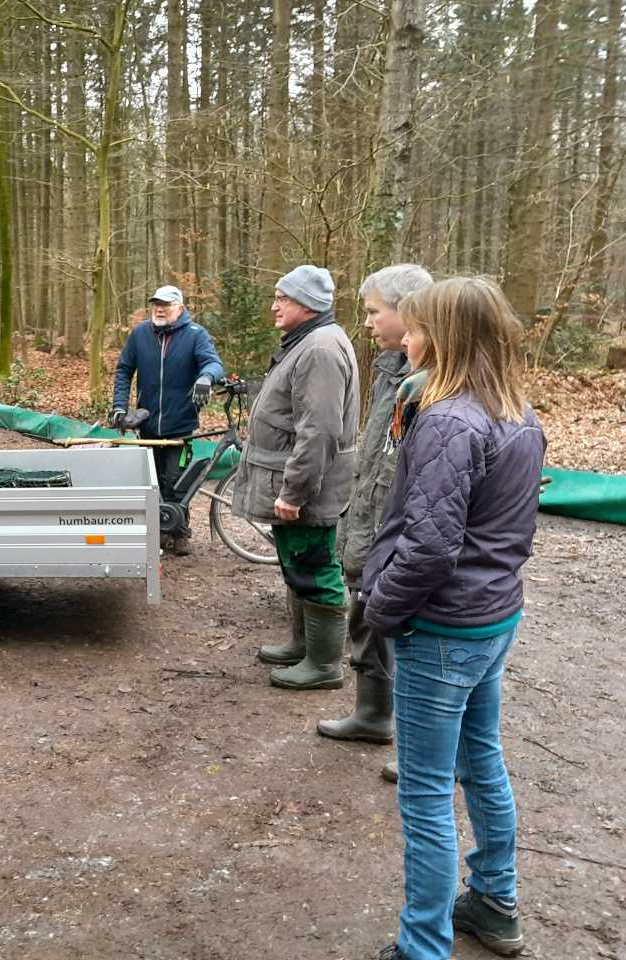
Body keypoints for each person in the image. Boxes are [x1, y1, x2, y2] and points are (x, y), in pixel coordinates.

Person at [364, 278, 545, 960]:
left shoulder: (447, 420)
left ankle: (422, 948)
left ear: (444, 338)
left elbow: (431, 545)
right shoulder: (517, 411)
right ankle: (495, 902)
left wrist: (380, 610)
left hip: (443, 632)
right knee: (482, 761)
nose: (403, 338)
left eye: (413, 329)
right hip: (492, 621)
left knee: (427, 795)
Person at [317, 264, 432, 754]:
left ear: (410, 313)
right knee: (367, 620)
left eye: (373, 312)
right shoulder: (390, 373)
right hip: (371, 527)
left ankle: (423, 745)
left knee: (411, 640)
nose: (366, 323)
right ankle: (372, 714)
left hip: (404, 540)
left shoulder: (434, 387)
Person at [229, 264, 359, 689]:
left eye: (281, 298)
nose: (274, 306)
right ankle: (303, 646)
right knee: (297, 563)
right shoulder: (309, 341)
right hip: (292, 484)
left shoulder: (319, 348)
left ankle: (323, 665)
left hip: (307, 491)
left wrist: (296, 491)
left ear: (305, 302)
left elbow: (319, 429)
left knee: (315, 567)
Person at [111, 285, 224, 556]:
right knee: (153, 483)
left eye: (166, 304)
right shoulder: (140, 334)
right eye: (156, 305)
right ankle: (159, 531)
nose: (159, 309)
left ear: (180, 308)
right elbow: (124, 371)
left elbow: (214, 364)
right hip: (147, 424)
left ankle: (180, 533)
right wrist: (119, 407)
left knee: (177, 481)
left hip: (180, 425)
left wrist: (205, 379)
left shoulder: (196, 335)